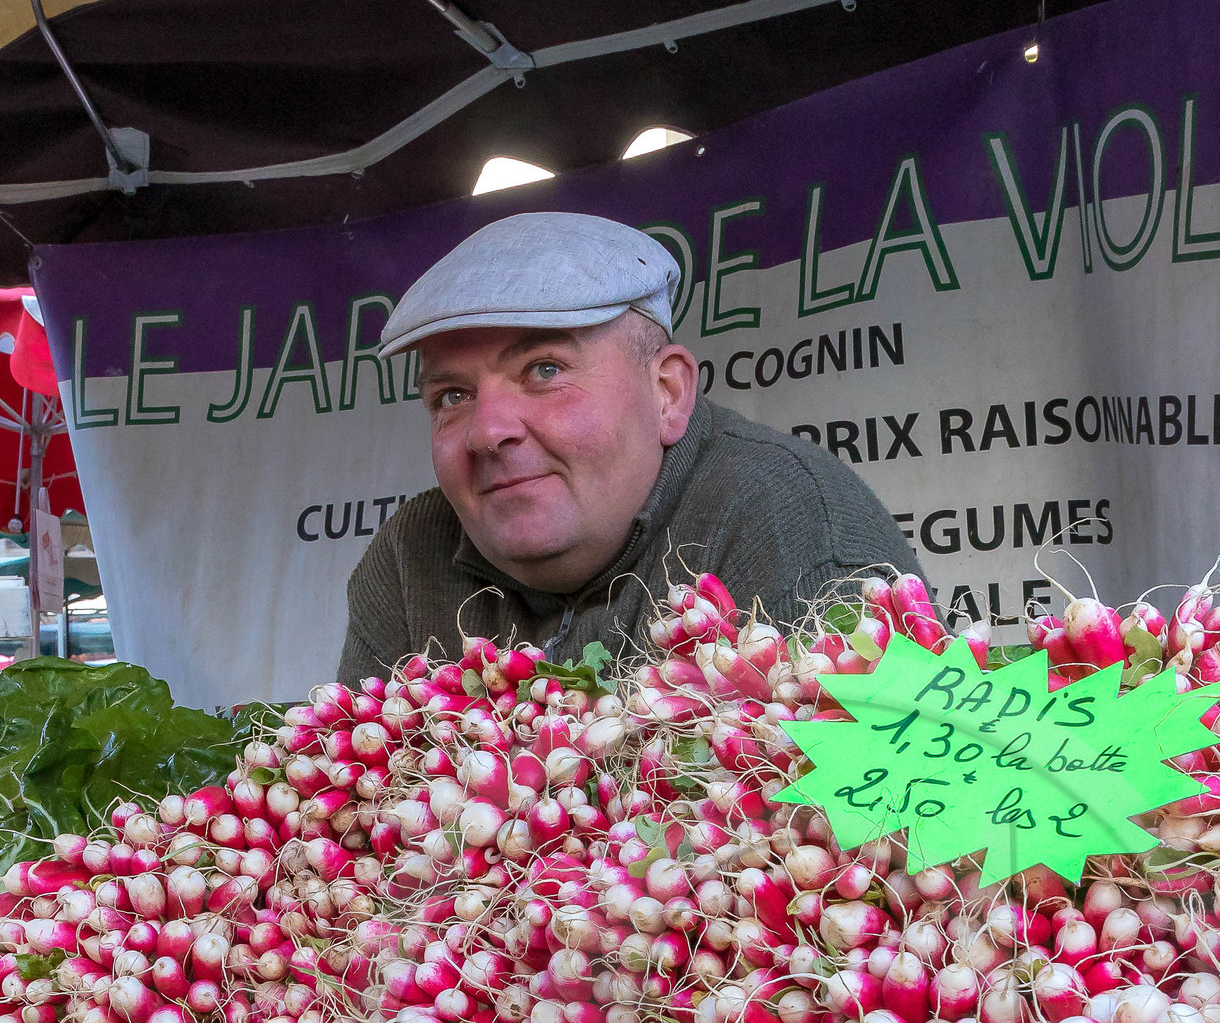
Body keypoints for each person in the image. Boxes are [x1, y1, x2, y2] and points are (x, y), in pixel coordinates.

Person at [338, 211, 919, 684]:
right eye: (452, 396)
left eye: (544, 370)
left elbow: (890, 814)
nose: (489, 432)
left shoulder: (792, 523)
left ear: (667, 392)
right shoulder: (409, 555)